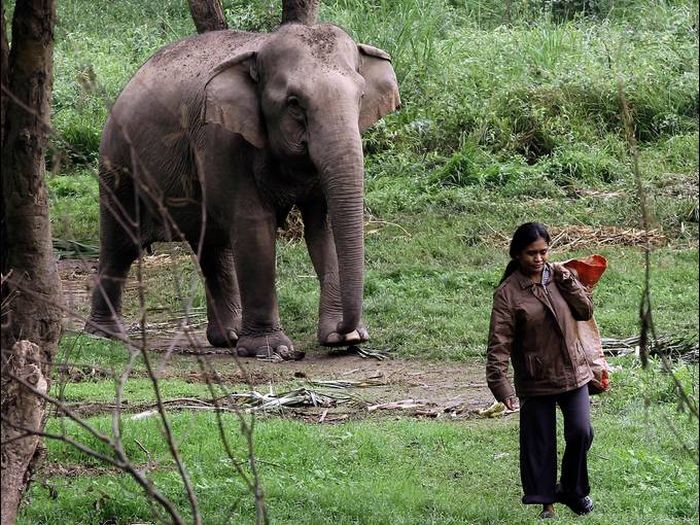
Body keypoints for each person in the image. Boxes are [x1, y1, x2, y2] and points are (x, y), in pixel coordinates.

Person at [486, 222, 596, 519]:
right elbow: (498, 343)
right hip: (536, 378)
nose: (538, 259)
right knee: (540, 442)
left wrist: (569, 282)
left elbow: (585, 311)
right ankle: (546, 503)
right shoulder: (507, 294)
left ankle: (571, 490)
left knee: (581, 432)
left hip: (573, 370)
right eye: (531, 253)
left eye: (543, 252)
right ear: (517, 254)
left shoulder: (560, 275)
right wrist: (501, 387)